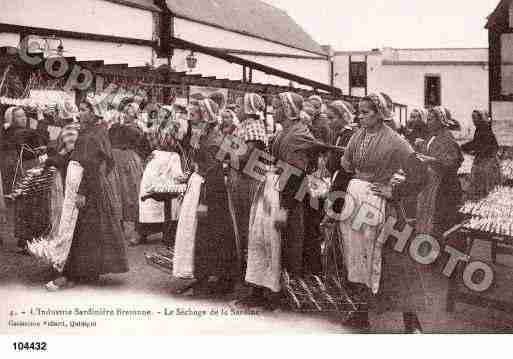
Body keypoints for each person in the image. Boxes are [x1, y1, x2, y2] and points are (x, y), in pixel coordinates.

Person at [338, 93, 428, 333]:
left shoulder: (396, 141)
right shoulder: (358, 135)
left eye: (366, 112)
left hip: (382, 206)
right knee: (358, 258)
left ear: (380, 114)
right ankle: (360, 314)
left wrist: (394, 190)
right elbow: (346, 168)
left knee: (396, 263)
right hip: (356, 202)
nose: (360, 115)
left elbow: (420, 175)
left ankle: (412, 323)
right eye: (359, 111)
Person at [241, 92, 326, 310]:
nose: (273, 110)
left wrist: (284, 209)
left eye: (278, 107)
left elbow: (296, 174)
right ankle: (265, 289)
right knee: (265, 242)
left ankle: (277, 295)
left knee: (280, 245)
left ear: (288, 110)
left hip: (285, 197)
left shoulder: (296, 134)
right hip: (273, 191)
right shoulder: (286, 131)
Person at [45, 99, 129, 290]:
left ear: (94, 113)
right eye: (80, 110)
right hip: (89, 183)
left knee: (80, 228)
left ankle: (74, 273)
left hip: (87, 185)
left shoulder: (94, 133)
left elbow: (91, 164)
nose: (79, 113)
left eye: (84, 110)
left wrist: (82, 192)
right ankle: (88, 270)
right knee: (90, 229)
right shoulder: (93, 130)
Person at [173, 98, 238, 295]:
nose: (192, 120)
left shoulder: (216, 139)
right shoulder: (202, 135)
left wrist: (202, 201)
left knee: (210, 234)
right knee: (202, 233)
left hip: (211, 190)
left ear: (206, 117)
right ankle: (203, 275)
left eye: (195, 116)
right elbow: (194, 157)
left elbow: (213, 170)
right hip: (202, 186)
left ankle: (215, 278)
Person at [1, 106, 49, 254]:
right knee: (30, 204)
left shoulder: (9, 132)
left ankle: (26, 240)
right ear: (12, 119)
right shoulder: (19, 132)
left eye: (24, 116)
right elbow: (41, 135)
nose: (23, 119)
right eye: (19, 117)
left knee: (26, 205)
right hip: (26, 169)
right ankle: (29, 240)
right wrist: (41, 119)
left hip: (23, 169)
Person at [416, 106, 464, 239]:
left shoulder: (447, 137)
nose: (427, 122)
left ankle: (435, 247)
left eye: (431, 119)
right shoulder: (433, 135)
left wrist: (430, 160)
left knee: (438, 219)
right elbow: (430, 150)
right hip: (430, 181)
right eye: (427, 119)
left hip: (443, 184)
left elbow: (453, 162)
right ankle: (426, 242)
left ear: (440, 121)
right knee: (428, 214)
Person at [109, 101, 150, 245]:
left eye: (129, 111)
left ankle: (136, 233)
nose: (126, 114)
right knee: (116, 195)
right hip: (114, 163)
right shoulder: (114, 127)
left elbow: (145, 148)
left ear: (136, 114)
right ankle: (117, 231)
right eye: (124, 111)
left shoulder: (138, 129)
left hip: (129, 163)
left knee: (131, 196)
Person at [461, 110, 501, 200]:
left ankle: (481, 196)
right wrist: (465, 147)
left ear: (480, 118)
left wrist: (465, 148)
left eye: (475, 118)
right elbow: (476, 143)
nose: (473, 120)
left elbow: (479, 144)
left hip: (488, 159)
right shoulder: (480, 128)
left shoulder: (484, 129)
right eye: (472, 118)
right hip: (484, 157)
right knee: (479, 178)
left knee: (483, 178)